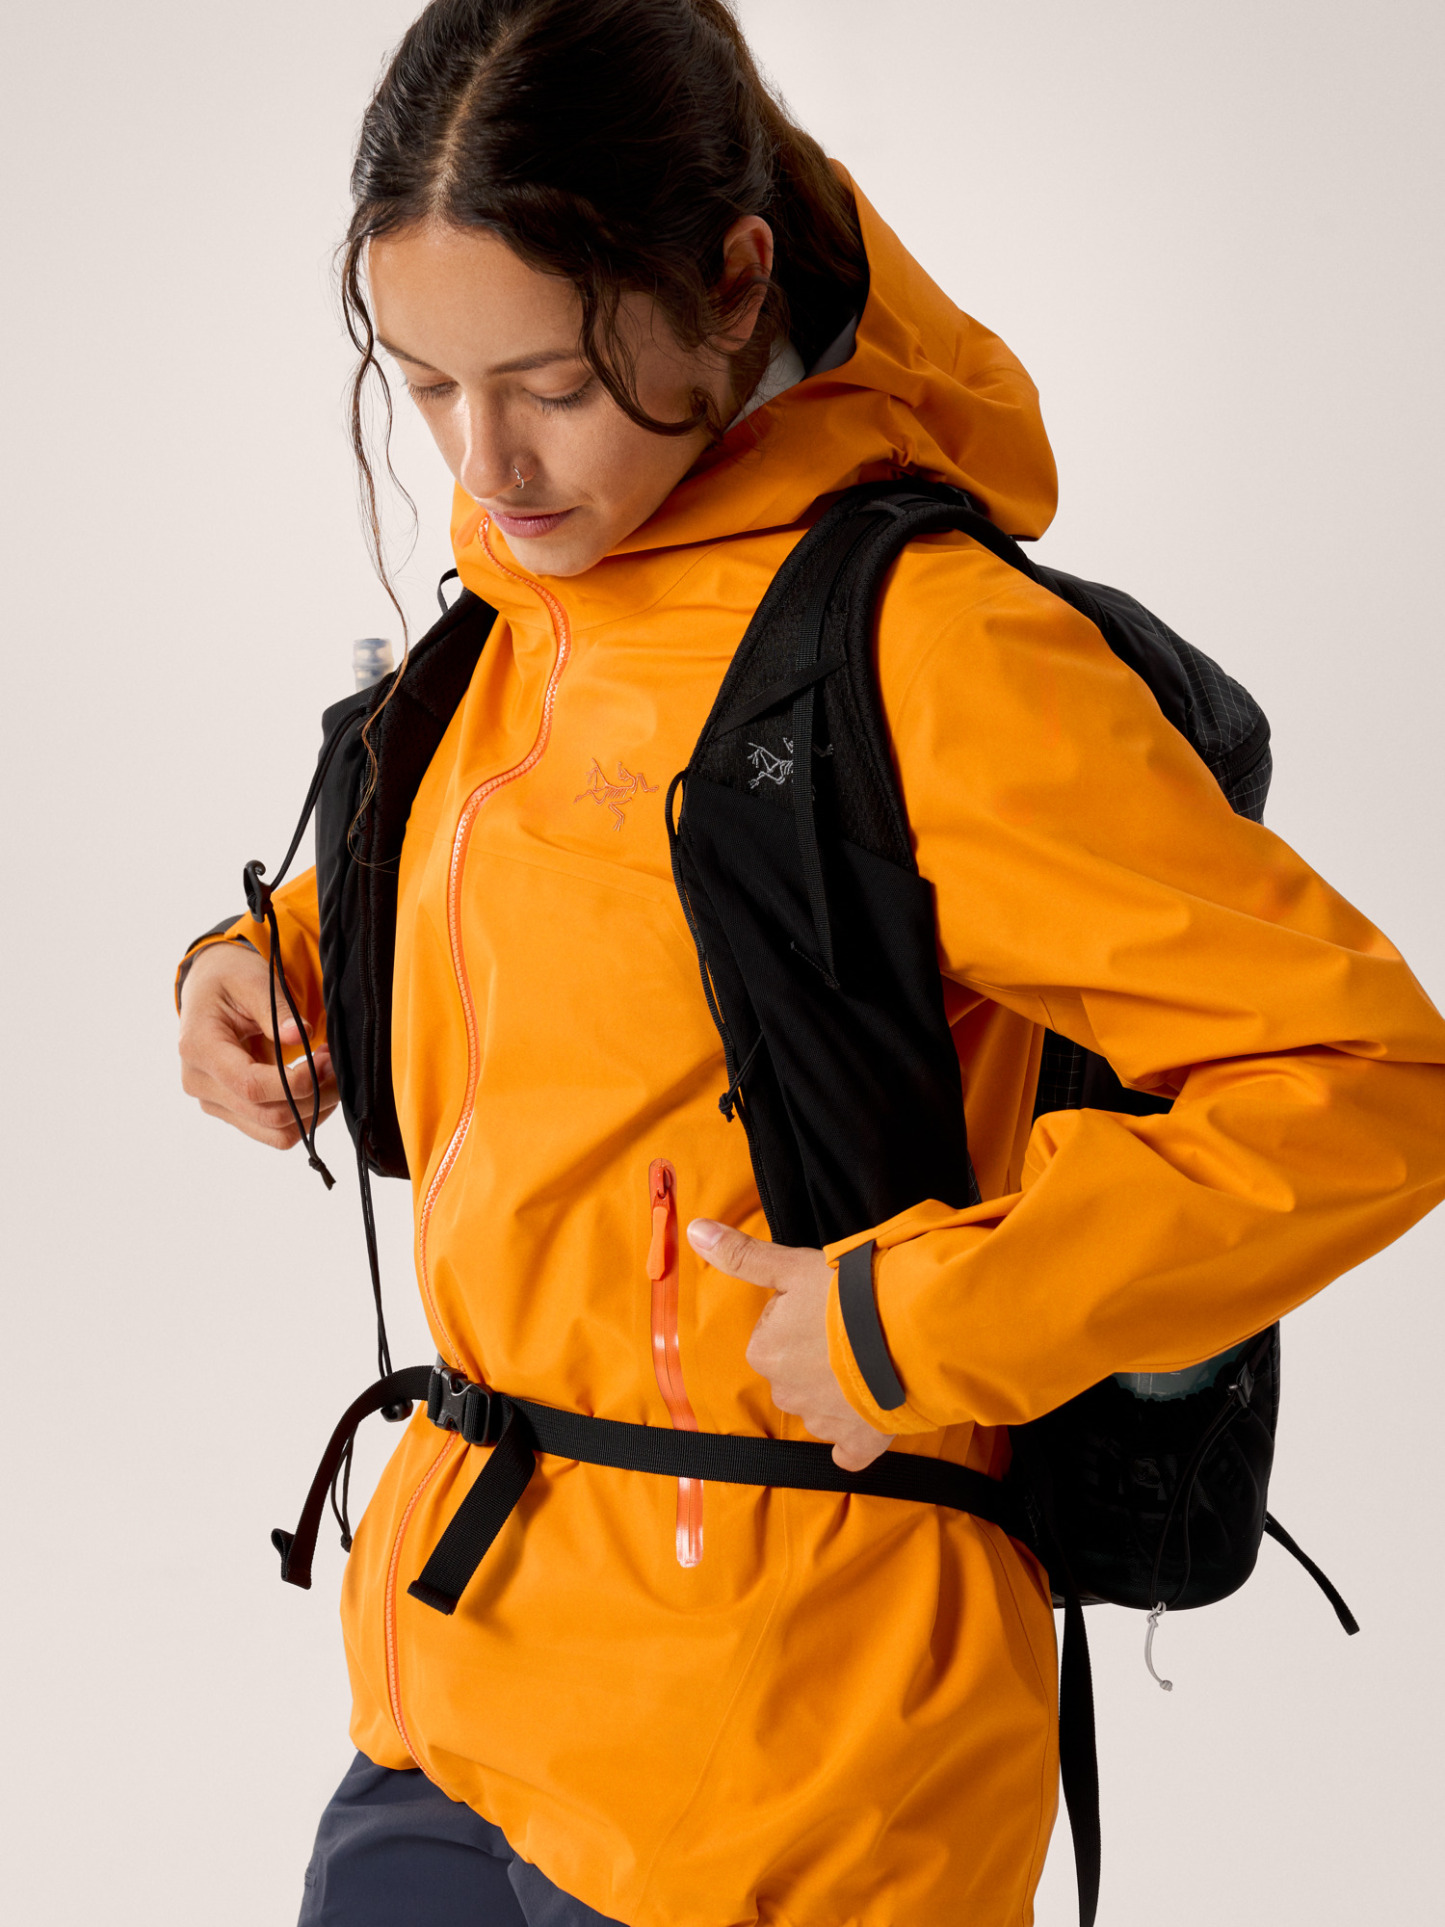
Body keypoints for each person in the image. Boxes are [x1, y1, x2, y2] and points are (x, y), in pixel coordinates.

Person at [175, 2, 1445, 1922]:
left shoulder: (932, 655)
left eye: (551, 382)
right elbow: (594, 902)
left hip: (797, 1750)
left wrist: (927, 1319)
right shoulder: (538, 609)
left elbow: (1366, 1083)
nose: (487, 459)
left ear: (732, 279)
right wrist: (272, 963)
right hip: (454, 1685)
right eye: (426, 385)